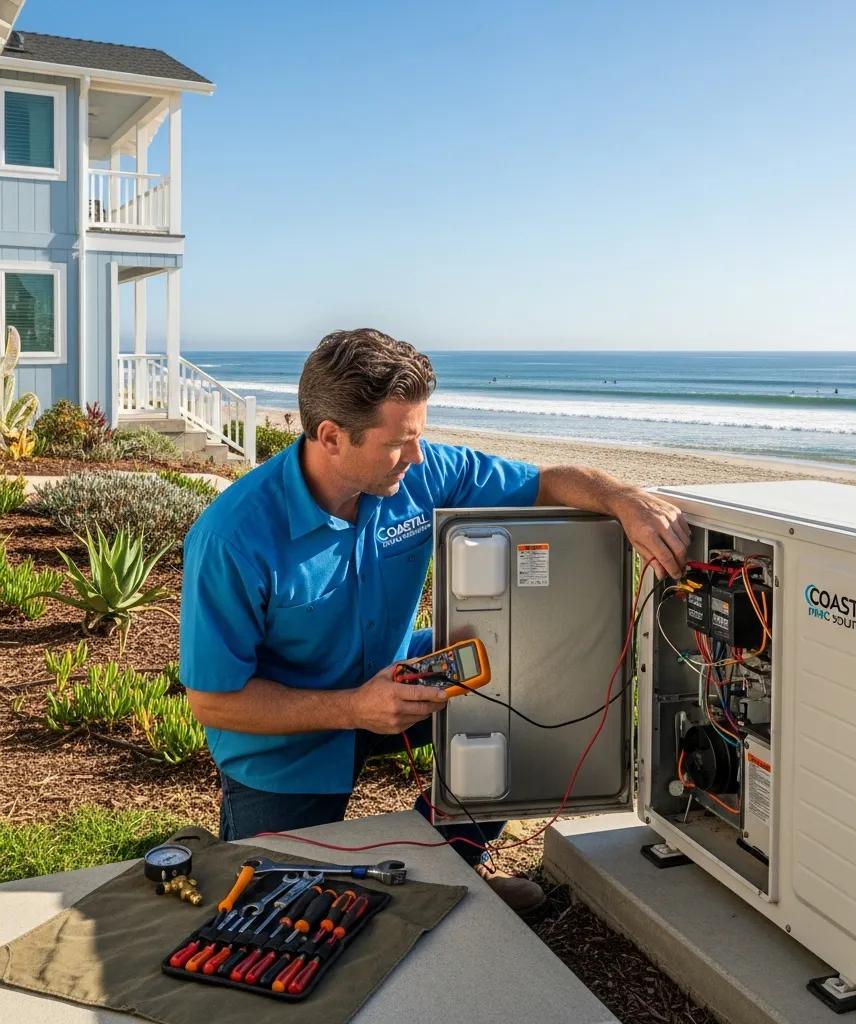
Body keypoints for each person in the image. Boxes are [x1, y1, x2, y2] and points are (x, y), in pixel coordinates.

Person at [180, 329, 690, 913]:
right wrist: (353, 708)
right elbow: (213, 701)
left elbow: (546, 481)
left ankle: (456, 865)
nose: (418, 456)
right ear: (331, 437)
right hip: (283, 742)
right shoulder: (231, 537)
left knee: (531, 683)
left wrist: (625, 499)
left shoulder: (417, 472)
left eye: (419, 436)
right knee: (282, 914)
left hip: (394, 675)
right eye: (400, 442)